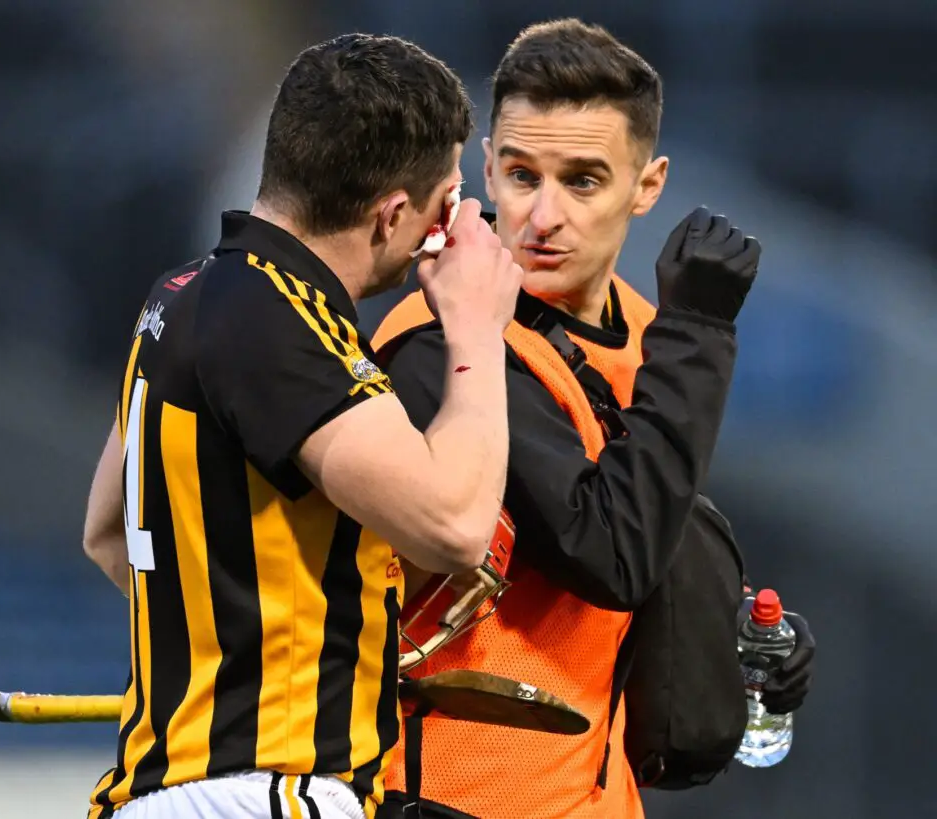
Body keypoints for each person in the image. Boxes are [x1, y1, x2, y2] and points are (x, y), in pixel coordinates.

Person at [371, 19, 814, 819]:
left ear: (647, 186)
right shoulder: (440, 343)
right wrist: (699, 333)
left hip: (597, 798)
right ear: (485, 170)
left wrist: (729, 630)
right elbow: (608, 551)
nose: (543, 215)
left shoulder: (647, 334)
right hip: (453, 797)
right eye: (521, 175)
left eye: (582, 181)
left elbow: (644, 529)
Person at [81, 33, 523, 819]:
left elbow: (106, 532)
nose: (452, 225)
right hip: (268, 790)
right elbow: (456, 527)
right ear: (392, 214)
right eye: (446, 199)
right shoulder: (280, 314)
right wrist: (478, 326)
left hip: (161, 795)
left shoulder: (177, 295)